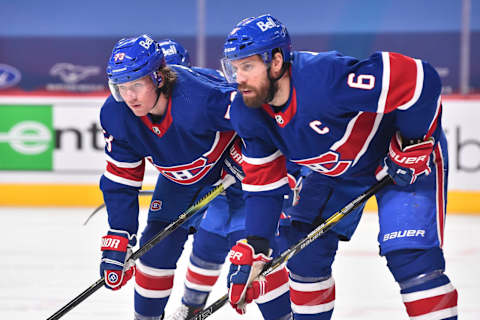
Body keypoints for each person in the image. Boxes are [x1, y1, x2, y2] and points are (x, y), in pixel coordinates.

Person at [220, 14, 458, 320]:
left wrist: (413, 142)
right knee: (304, 257)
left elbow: (420, 78)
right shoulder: (247, 111)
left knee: (411, 258)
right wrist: (256, 246)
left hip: (398, 157)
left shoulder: (324, 79)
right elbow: (264, 184)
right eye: (234, 67)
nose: (238, 78)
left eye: (247, 66)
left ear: (276, 62)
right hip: (335, 173)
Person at [99, 34, 291, 320]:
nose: (129, 97)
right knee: (155, 248)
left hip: (235, 176)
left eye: (137, 85)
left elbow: (263, 118)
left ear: (159, 77)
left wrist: (247, 154)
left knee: (255, 254)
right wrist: (119, 232)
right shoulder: (116, 115)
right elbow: (120, 180)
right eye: (121, 87)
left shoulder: (202, 98)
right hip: (178, 181)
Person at [155, 38, 293, 320]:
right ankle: (191, 307)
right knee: (206, 244)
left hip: (248, 191)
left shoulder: (213, 90)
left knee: (251, 257)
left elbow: (259, 126)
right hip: (217, 192)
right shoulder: (157, 108)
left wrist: (242, 156)